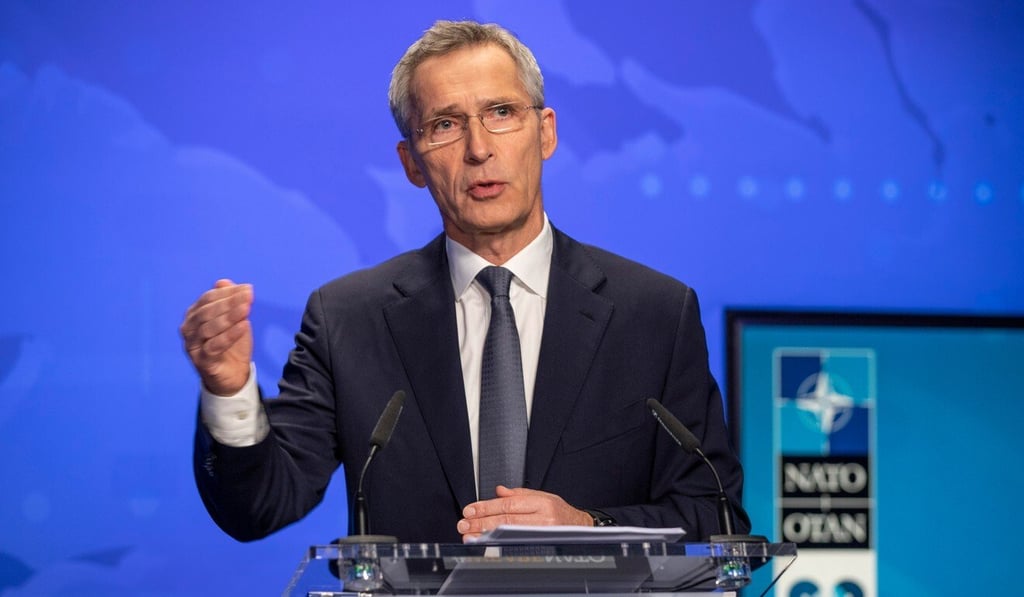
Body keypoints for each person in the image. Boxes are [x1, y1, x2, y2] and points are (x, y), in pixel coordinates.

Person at [181, 19, 749, 544]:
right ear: (411, 163)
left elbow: (714, 513)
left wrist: (586, 524)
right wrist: (228, 389)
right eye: (445, 125)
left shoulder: (653, 313)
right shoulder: (348, 320)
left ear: (544, 133)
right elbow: (258, 506)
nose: (479, 149)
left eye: (501, 112)